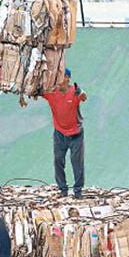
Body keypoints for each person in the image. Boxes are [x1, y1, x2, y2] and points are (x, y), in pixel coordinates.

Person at [43, 67, 87, 199]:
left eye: (61, 77)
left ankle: (78, 191)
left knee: (77, 162)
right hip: (59, 133)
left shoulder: (74, 92)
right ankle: (63, 189)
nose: (58, 80)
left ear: (67, 78)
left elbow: (84, 97)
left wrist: (81, 92)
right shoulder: (51, 93)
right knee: (58, 160)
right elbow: (35, 91)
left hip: (76, 134)